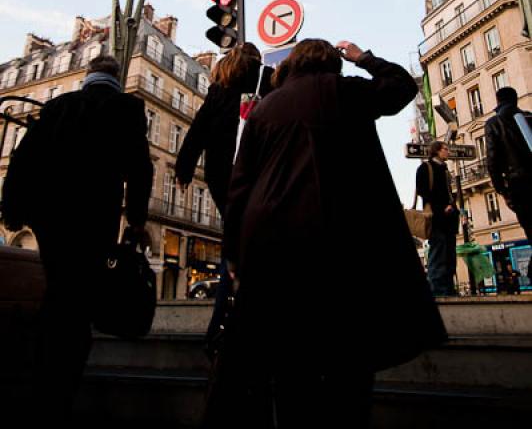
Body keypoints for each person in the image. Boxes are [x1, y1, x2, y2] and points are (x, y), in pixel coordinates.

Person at [222, 39, 447, 429]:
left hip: (275, 248)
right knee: (349, 360)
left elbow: (239, 186)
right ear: (331, 62)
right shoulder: (349, 91)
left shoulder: (264, 110)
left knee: (290, 365)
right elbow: (402, 86)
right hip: (346, 243)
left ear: (292, 64)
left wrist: (235, 254)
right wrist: (364, 58)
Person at [2, 54, 153, 421]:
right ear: (117, 78)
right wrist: (135, 219)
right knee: (79, 299)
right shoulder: (127, 108)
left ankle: (43, 380)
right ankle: (61, 385)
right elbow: (140, 167)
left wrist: (13, 209)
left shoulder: (59, 106)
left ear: (88, 76)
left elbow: (25, 159)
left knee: (58, 289)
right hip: (94, 218)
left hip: (51, 218)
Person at [175, 42, 272, 352]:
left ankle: (220, 325)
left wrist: (184, 168)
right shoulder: (266, 78)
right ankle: (244, 318)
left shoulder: (219, 88)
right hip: (255, 171)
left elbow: (197, 130)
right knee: (254, 242)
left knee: (235, 239)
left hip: (221, 176)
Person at [486, 87, 532, 264]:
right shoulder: (528, 118)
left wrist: (501, 190)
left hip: (518, 183)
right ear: (516, 99)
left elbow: (492, 159)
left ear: (498, 101)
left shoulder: (494, 123)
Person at [416, 140, 459, 297]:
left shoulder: (445, 169)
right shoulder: (425, 168)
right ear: (437, 151)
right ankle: (438, 291)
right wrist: (441, 208)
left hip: (449, 219)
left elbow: (448, 192)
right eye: (445, 149)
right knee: (438, 254)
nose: (448, 152)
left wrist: (453, 206)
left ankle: (449, 289)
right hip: (436, 218)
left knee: (449, 255)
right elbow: (423, 192)